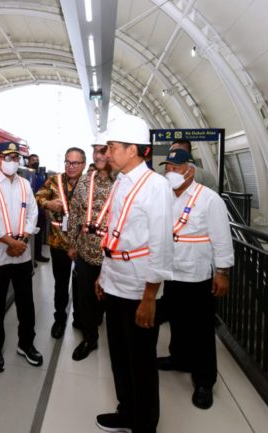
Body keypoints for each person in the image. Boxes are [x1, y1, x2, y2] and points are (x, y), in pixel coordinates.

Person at [95, 118, 173, 433]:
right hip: (115, 280)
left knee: (141, 362)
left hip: (140, 289)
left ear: (133, 150)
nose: (107, 152)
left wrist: (150, 298)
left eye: (112, 147)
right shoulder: (121, 181)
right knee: (119, 356)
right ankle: (126, 411)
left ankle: (145, 425)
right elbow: (114, 234)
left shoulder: (156, 186)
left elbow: (162, 245)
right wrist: (102, 275)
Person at [156, 148, 234, 409]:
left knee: (200, 328)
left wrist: (221, 272)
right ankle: (178, 358)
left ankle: (204, 380)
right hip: (172, 270)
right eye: (168, 168)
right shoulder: (165, 196)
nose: (171, 172)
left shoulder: (209, 199)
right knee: (177, 320)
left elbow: (222, 237)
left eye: (176, 168)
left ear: (190, 170)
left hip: (197, 273)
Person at [0, 141, 43, 373]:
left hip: (21, 254)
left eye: (15, 158)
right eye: (7, 157)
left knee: (26, 303)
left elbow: (32, 213)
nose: (12, 162)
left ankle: (26, 344)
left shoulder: (24, 184)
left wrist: (22, 240)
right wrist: (10, 242)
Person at [67, 133, 114, 361]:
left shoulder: (121, 182)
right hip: (85, 251)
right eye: (96, 151)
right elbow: (75, 213)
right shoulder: (86, 181)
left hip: (111, 256)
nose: (99, 155)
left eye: (103, 150)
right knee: (85, 298)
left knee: (108, 300)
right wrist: (72, 244)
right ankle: (89, 339)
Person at [36, 147, 86, 338]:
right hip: (58, 242)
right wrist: (47, 204)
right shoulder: (55, 180)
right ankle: (59, 318)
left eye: (75, 163)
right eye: (67, 162)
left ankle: (80, 318)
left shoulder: (89, 183)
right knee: (60, 283)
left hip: (82, 244)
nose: (71, 167)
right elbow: (38, 196)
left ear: (83, 164)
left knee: (81, 283)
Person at [27, 154, 50, 264]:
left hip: (41, 210)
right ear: (28, 162)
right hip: (31, 211)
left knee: (39, 234)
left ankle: (38, 255)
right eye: (33, 160)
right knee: (31, 235)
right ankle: (31, 258)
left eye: (37, 160)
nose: (36, 162)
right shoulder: (26, 175)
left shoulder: (40, 175)